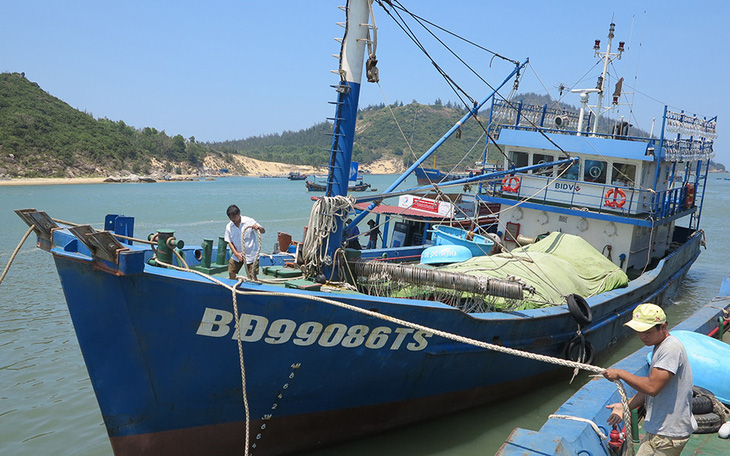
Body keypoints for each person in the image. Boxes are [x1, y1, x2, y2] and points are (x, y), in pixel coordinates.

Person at [602, 303, 696, 456]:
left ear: (663, 326)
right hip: (662, 432)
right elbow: (653, 388)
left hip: (667, 435)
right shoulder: (660, 346)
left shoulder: (670, 349)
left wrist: (620, 373)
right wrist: (624, 406)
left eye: (648, 331)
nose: (643, 336)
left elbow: (652, 388)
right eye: (639, 331)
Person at [224, 204, 265, 280]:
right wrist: (236, 254)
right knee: (231, 271)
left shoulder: (249, 221)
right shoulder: (229, 226)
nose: (232, 220)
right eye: (230, 218)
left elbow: (263, 231)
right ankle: (233, 287)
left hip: (251, 254)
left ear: (239, 213)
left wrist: (258, 227)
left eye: (234, 217)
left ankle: (252, 289)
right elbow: (229, 241)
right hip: (238, 254)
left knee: (252, 276)